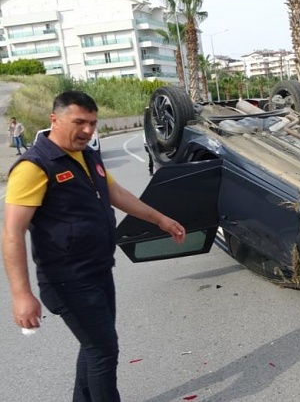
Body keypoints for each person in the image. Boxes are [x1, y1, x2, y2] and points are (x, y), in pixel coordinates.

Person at [2, 91, 186, 401]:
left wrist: (161, 220)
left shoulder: (86, 155)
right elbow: (12, 233)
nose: (87, 130)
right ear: (54, 120)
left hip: (99, 271)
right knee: (103, 350)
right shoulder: (34, 166)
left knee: (93, 346)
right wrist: (21, 295)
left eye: (92, 123)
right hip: (67, 279)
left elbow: (116, 193)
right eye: (79, 122)